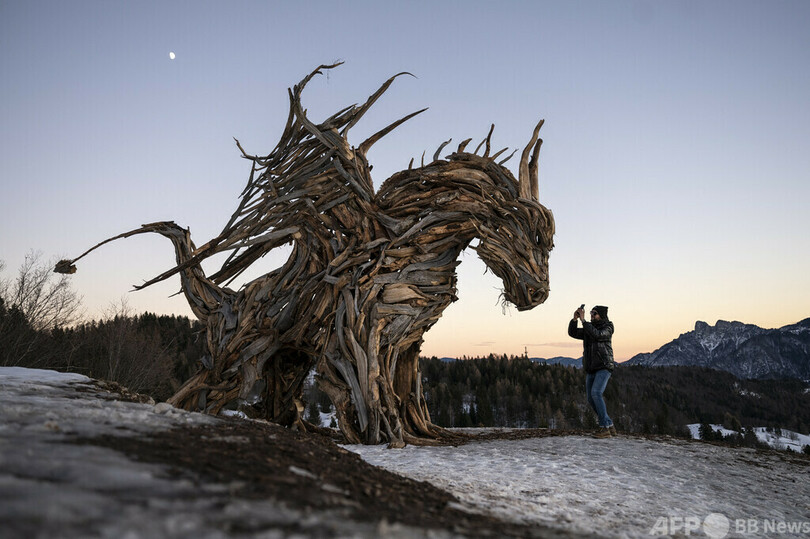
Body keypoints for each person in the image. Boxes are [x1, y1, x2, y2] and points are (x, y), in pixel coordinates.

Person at [568, 305, 615, 438]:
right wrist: (574, 319)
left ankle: (604, 428)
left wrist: (583, 321)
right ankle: (609, 424)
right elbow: (573, 333)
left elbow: (597, 335)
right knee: (590, 398)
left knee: (596, 393)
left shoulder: (608, 327)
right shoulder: (589, 329)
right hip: (591, 368)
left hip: (604, 366)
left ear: (601, 315)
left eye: (594, 314)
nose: (592, 316)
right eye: (590, 313)